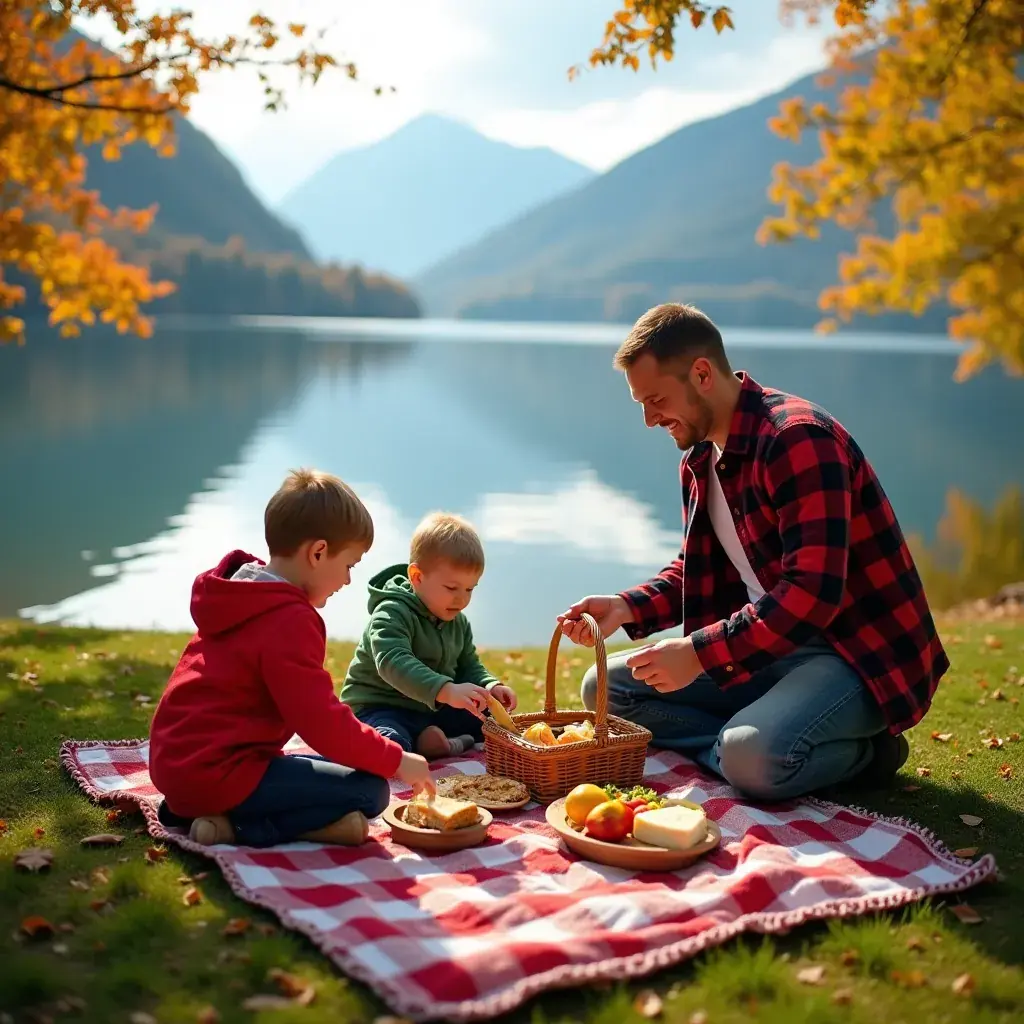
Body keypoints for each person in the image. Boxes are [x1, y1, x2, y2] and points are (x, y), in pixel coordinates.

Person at [560, 303, 949, 801]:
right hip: (763, 648)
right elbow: (696, 569)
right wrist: (626, 607)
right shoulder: (701, 457)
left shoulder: (797, 439)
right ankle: (745, 743)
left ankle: (866, 753)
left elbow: (812, 594)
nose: (649, 419)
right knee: (603, 690)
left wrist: (699, 653)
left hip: (855, 656)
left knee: (752, 759)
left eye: (655, 399)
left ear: (702, 373)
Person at [149, 468, 434, 848]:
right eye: (349, 565)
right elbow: (322, 723)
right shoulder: (288, 620)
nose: (348, 580)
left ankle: (201, 811)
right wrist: (397, 760)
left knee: (334, 770)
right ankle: (240, 828)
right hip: (220, 772)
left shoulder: (240, 590)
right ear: (318, 552)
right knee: (371, 791)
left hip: (176, 766)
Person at [342, 512, 517, 758]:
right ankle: (439, 742)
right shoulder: (391, 612)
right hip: (380, 707)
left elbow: (468, 665)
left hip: (431, 710)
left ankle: (439, 740)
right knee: (389, 743)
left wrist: (490, 686)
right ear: (417, 577)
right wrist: (444, 689)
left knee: (488, 720)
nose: (462, 599)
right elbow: (392, 661)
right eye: (451, 588)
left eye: (469, 588)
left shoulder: (458, 621)